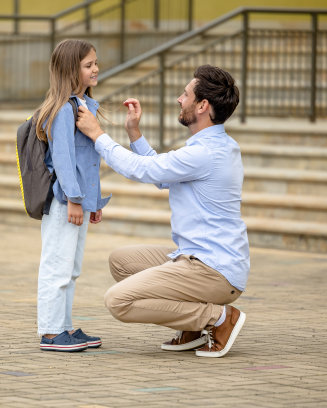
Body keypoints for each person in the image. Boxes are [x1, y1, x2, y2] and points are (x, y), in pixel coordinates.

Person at [75, 65, 249, 358]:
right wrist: (134, 132)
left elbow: (142, 170)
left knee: (118, 301)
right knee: (121, 262)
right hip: (198, 257)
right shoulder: (214, 146)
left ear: (203, 106)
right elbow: (161, 176)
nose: (179, 100)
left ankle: (218, 318)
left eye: (185, 94)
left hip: (211, 269)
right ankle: (193, 326)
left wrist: (97, 135)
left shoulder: (204, 153)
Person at [35, 39, 111, 352]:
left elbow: (88, 163)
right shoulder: (64, 111)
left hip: (78, 203)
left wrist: (92, 202)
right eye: (88, 65)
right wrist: (76, 200)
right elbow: (65, 160)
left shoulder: (83, 107)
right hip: (65, 204)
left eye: (95, 63)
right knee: (57, 267)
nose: (96, 69)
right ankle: (51, 333)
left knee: (71, 268)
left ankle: (64, 327)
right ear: (71, 69)